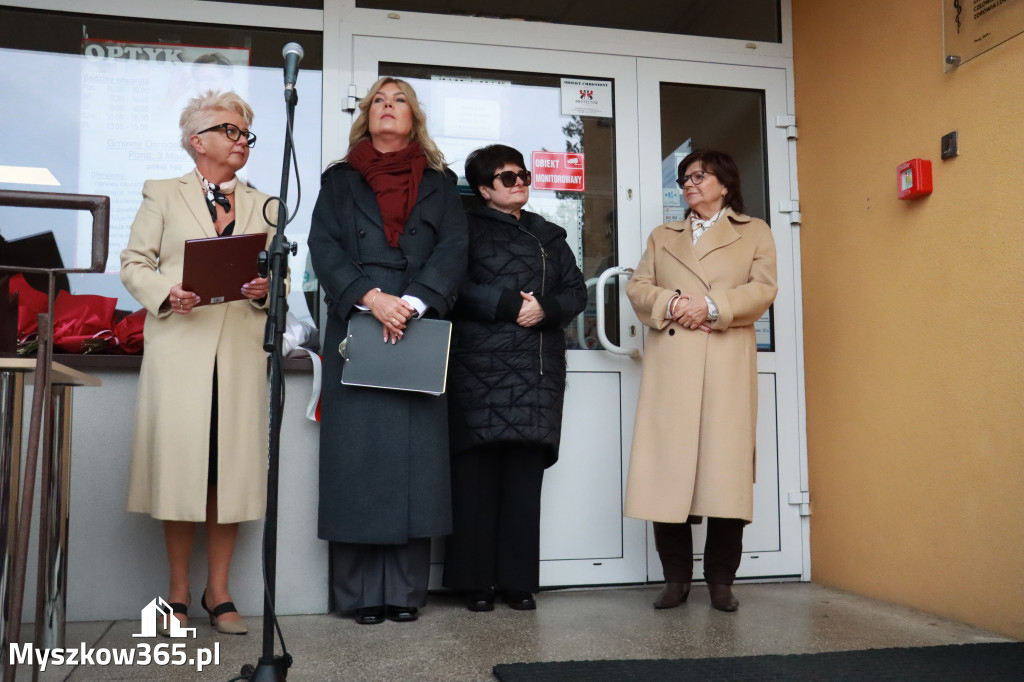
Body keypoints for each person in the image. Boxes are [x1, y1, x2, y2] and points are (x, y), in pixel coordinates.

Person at [309, 77, 468, 625]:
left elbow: (454, 248)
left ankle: (403, 593)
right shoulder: (340, 179)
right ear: (367, 114)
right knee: (358, 461)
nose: (388, 107)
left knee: (413, 466)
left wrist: (415, 302)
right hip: (358, 320)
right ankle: (358, 596)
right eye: (379, 99)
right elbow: (324, 246)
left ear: (413, 116)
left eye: (399, 100)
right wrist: (371, 298)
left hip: (417, 323)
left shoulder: (441, 182)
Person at [121, 90, 279, 635]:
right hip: (181, 352)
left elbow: (276, 280)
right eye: (229, 131)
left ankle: (220, 591)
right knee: (180, 470)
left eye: (245, 133)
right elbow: (134, 262)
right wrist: (167, 292)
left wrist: (265, 289)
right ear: (197, 141)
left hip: (238, 356)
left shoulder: (266, 205)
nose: (241, 141)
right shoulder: (162, 192)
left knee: (225, 474)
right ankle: (178, 592)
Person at [624, 149, 777, 612]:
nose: (689, 184)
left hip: (725, 364)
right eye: (684, 178)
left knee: (726, 478)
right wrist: (674, 304)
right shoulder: (663, 235)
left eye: (699, 176)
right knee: (667, 475)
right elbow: (638, 286)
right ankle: (676, 581)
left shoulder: (755, 231)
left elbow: (763, 288)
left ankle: (721, 583)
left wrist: (710, 306)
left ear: (724, 184)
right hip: (672, 367)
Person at [443, 144, 587, 612]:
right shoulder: (464, 228)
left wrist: (547, 308)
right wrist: (508, 304)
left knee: (524, 481)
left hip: (536, 370)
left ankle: (518, 582)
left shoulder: (549, 233)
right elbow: (452, 285)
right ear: (484, 189)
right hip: (478, 368)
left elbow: (576, 290)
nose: (520, 182)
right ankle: (475, 583)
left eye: (523, 174)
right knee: (476, 479)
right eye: (508, 177)